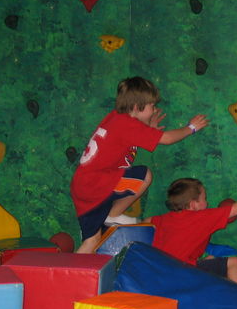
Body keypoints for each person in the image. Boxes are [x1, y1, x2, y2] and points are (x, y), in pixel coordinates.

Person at [71, 76, 208, 254]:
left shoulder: (117, 118)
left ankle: (69, 268)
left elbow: (129, 138)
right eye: (151, 105)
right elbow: (167, 139)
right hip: (97, 185)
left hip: (86, 185)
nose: (154, 109)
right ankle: (113, 215)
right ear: (137, 107)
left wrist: (149, 128)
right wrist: (191, 128)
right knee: (144, 175)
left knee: (92, 240)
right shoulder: (127, 125)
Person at [143, 177, 237, 309]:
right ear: (193, 204)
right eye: (204, 199)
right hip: (185, 276)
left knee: (211, 259)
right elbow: (236, 209)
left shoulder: (161, 219)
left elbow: (146, 221)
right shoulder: (202, 217)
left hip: (158, 276)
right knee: (233, 261)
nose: (207, 203)